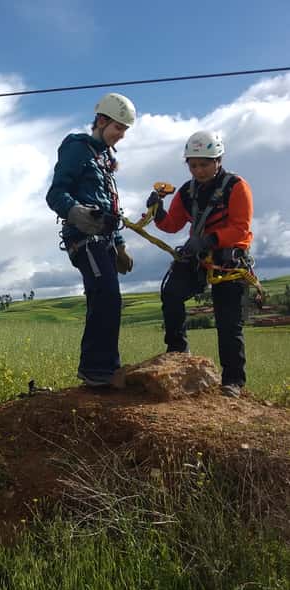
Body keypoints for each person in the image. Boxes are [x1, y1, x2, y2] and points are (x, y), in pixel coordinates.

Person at [148, 131, 254, 398]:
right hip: (198, 255)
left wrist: (209, 240)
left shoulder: (236, 186)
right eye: (193, 165)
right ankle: (178, 352)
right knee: (171, 292)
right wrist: (158, 212)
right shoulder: (187, 191)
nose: (199, 170)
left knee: (228, 321)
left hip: (228, 258)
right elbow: (172, 225)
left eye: (205, 164)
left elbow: (241, 229)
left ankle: (233, 381)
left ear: (218, 160)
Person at [46, 92, 137, 387]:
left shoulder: (105, 159)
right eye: (118, 128)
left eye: (124, 131)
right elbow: (55, 194)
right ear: (101, 120)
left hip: (106, 240)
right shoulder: (77, 148)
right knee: (106, 296)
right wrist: (78, 212)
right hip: (84, 239)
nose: (121, 136)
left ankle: (107, 367)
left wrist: (120, 244)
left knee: (110, 300)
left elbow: (112, 207)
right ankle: (97, 370)